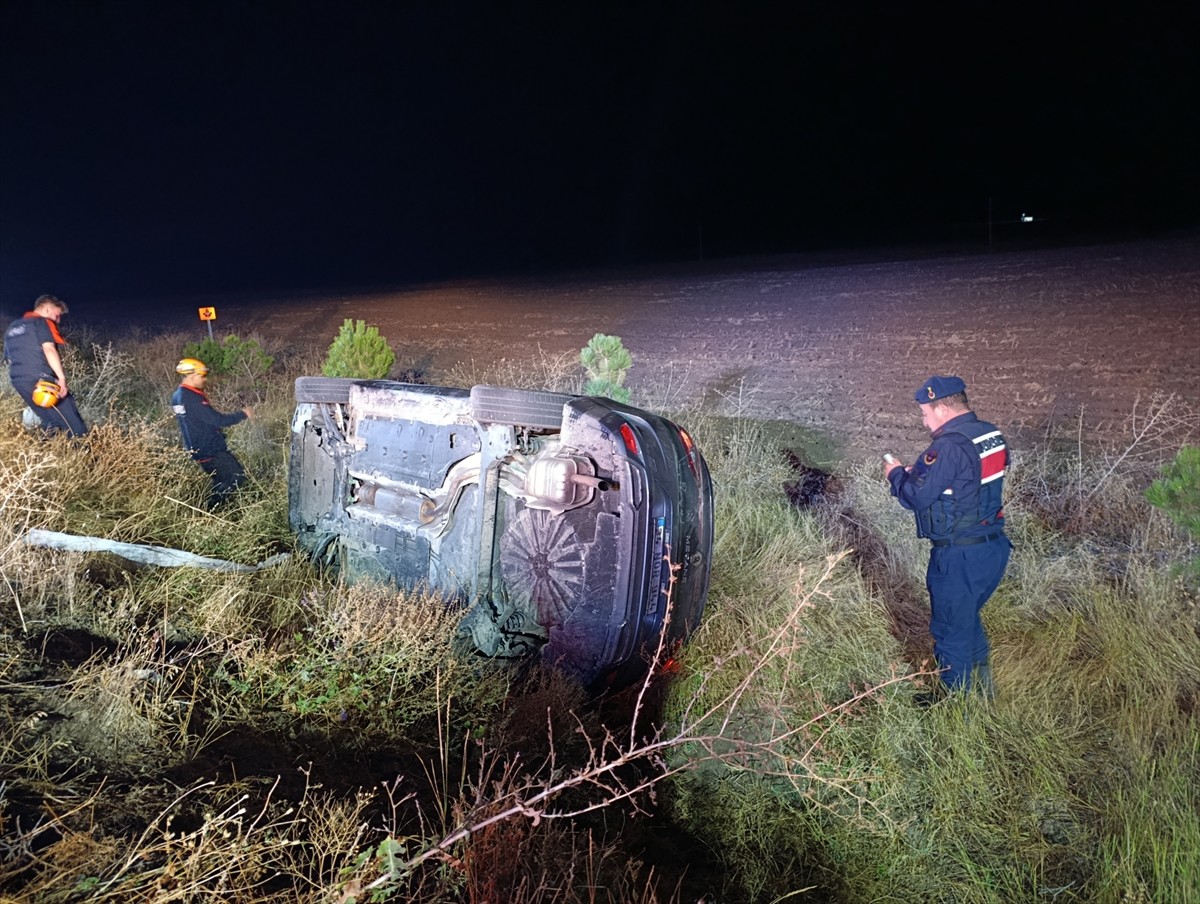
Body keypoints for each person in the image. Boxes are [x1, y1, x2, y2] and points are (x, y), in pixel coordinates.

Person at [882, 375, 1011, 702]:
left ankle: (958, 715)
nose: (924, 420)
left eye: (925, 412)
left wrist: (896, 473)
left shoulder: (948, 445)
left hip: (959, 557)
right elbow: (969, 481)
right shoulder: (990, 434)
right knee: (966, 622)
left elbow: (914, 497)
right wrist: (928, 476)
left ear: (941, 408)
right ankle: (984, 696)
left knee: (950, 635)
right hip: (992, 549)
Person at [171, 357, 254, 509]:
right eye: (201, 375)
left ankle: (212, 511)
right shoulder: (191, 397)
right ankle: (212, 511)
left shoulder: (177, 396)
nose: (204, 379)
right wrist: (243, 414)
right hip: (210, 450)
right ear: (192, 376)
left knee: (221, 480)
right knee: (236, 477)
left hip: (198, 449)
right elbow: (217, 420)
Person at [3, 294, 89, 437]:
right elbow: (49, 349)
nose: (58, 319)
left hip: (19, 381)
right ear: (48, 308)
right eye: (57, 315)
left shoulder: (13, 327)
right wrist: (61, 379)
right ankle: (88, 456)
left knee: (50, 421)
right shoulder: (41, 322)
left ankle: (46, 454)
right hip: (42, 380)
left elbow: (9, 359)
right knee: (74, 424)